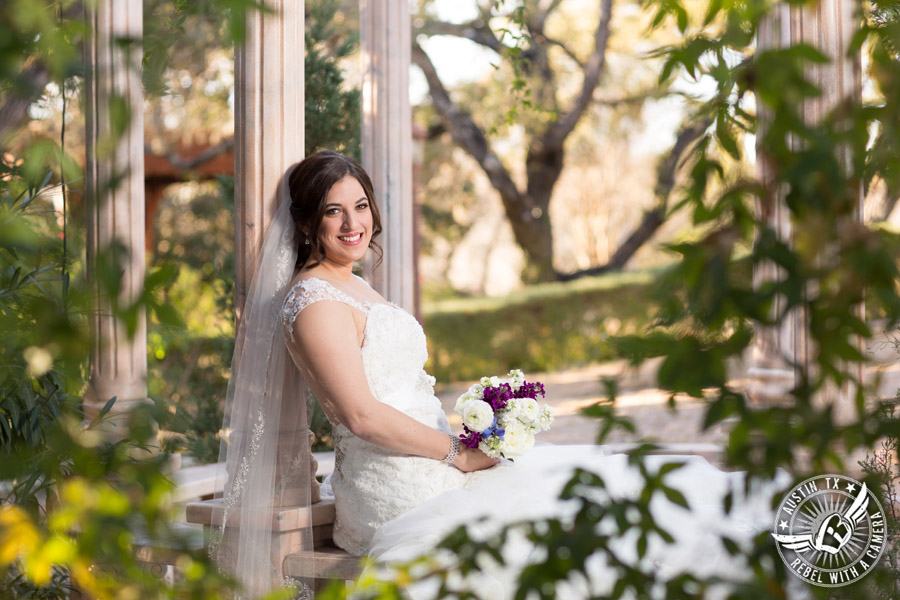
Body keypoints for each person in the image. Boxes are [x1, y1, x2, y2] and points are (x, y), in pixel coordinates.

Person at [214, 151, 781, 599]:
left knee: (607, 493)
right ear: (307, 221)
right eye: (334, 210)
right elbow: (360, 414)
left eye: (360, 205)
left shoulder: (351, 282)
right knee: (570, 523)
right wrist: (456, 452)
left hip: (435, 457)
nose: (352, 222)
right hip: (401, 487)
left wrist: (479, 427)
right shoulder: (315, 300)